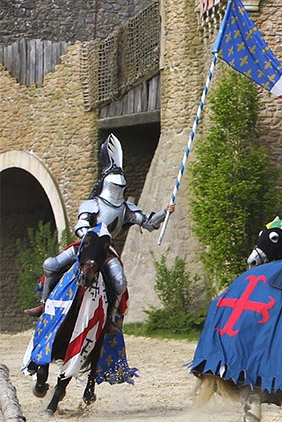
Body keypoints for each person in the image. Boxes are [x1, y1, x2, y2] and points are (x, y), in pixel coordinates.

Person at [25, 134, 174, 320]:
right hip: (85, 246)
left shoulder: (126, 208)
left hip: (107, 250)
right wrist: (90, 236)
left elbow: (148, 222)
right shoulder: (92, 204)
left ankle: (111, 318)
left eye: (121, 186)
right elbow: (81, 226)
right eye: (115, 184)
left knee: (120, 283)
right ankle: (44, 303)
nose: (118, 189)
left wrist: (165, 211)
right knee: (51, 264)